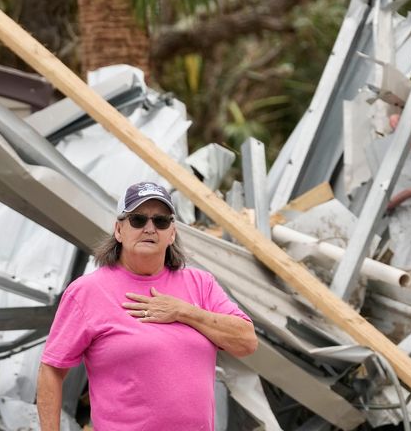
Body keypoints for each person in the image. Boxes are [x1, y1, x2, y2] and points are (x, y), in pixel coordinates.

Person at [36, 181, 257, 431]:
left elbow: (246, 341)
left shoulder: (201, 284)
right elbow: (51, 370)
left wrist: (184, 311)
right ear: (119, 229)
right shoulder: (87, 292)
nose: (150, 228)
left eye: (161, 221)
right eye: (138, 220)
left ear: (171, 233)